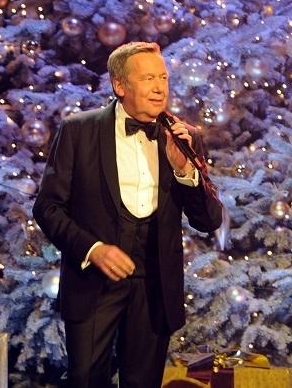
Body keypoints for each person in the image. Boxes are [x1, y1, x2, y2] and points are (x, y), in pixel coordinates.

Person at [33, 41, 223, 388]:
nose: (159, 87)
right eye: (148, 78)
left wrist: (185, 171)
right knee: (86, 379)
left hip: (155, 285)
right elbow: (47, 208)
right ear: (120, 86)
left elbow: (208, 220)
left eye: (163, 77)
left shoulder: (184, 137)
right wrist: (93, 249)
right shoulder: (79, 130)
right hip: (94, 284)